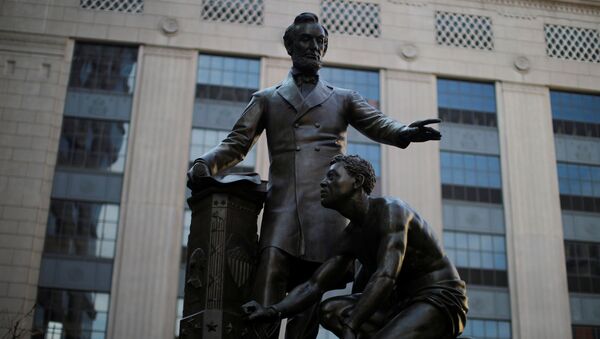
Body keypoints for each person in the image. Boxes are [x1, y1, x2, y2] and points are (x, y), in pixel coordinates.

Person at [187, 13, 442, 339]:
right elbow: (236, 145)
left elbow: (378, 123)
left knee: (310, 296)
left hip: (326, 210)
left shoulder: (343, 98)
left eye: (320, 41)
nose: (314, 47)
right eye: (306, 40)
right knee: (269, 274)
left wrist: (404, 132)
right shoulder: (267, 98)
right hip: (282, 208)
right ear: (290, 45)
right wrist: (204, 164)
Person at [242, 155, 468, 339]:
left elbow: (386, 275)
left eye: (332, 177)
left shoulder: (392, 211)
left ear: (358, 181)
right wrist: (272, 311)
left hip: (437, 298)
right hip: (399, 304)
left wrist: (352, 324)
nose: (323, 183)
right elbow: (314, 285)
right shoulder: (350, 236)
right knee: (330, 310)